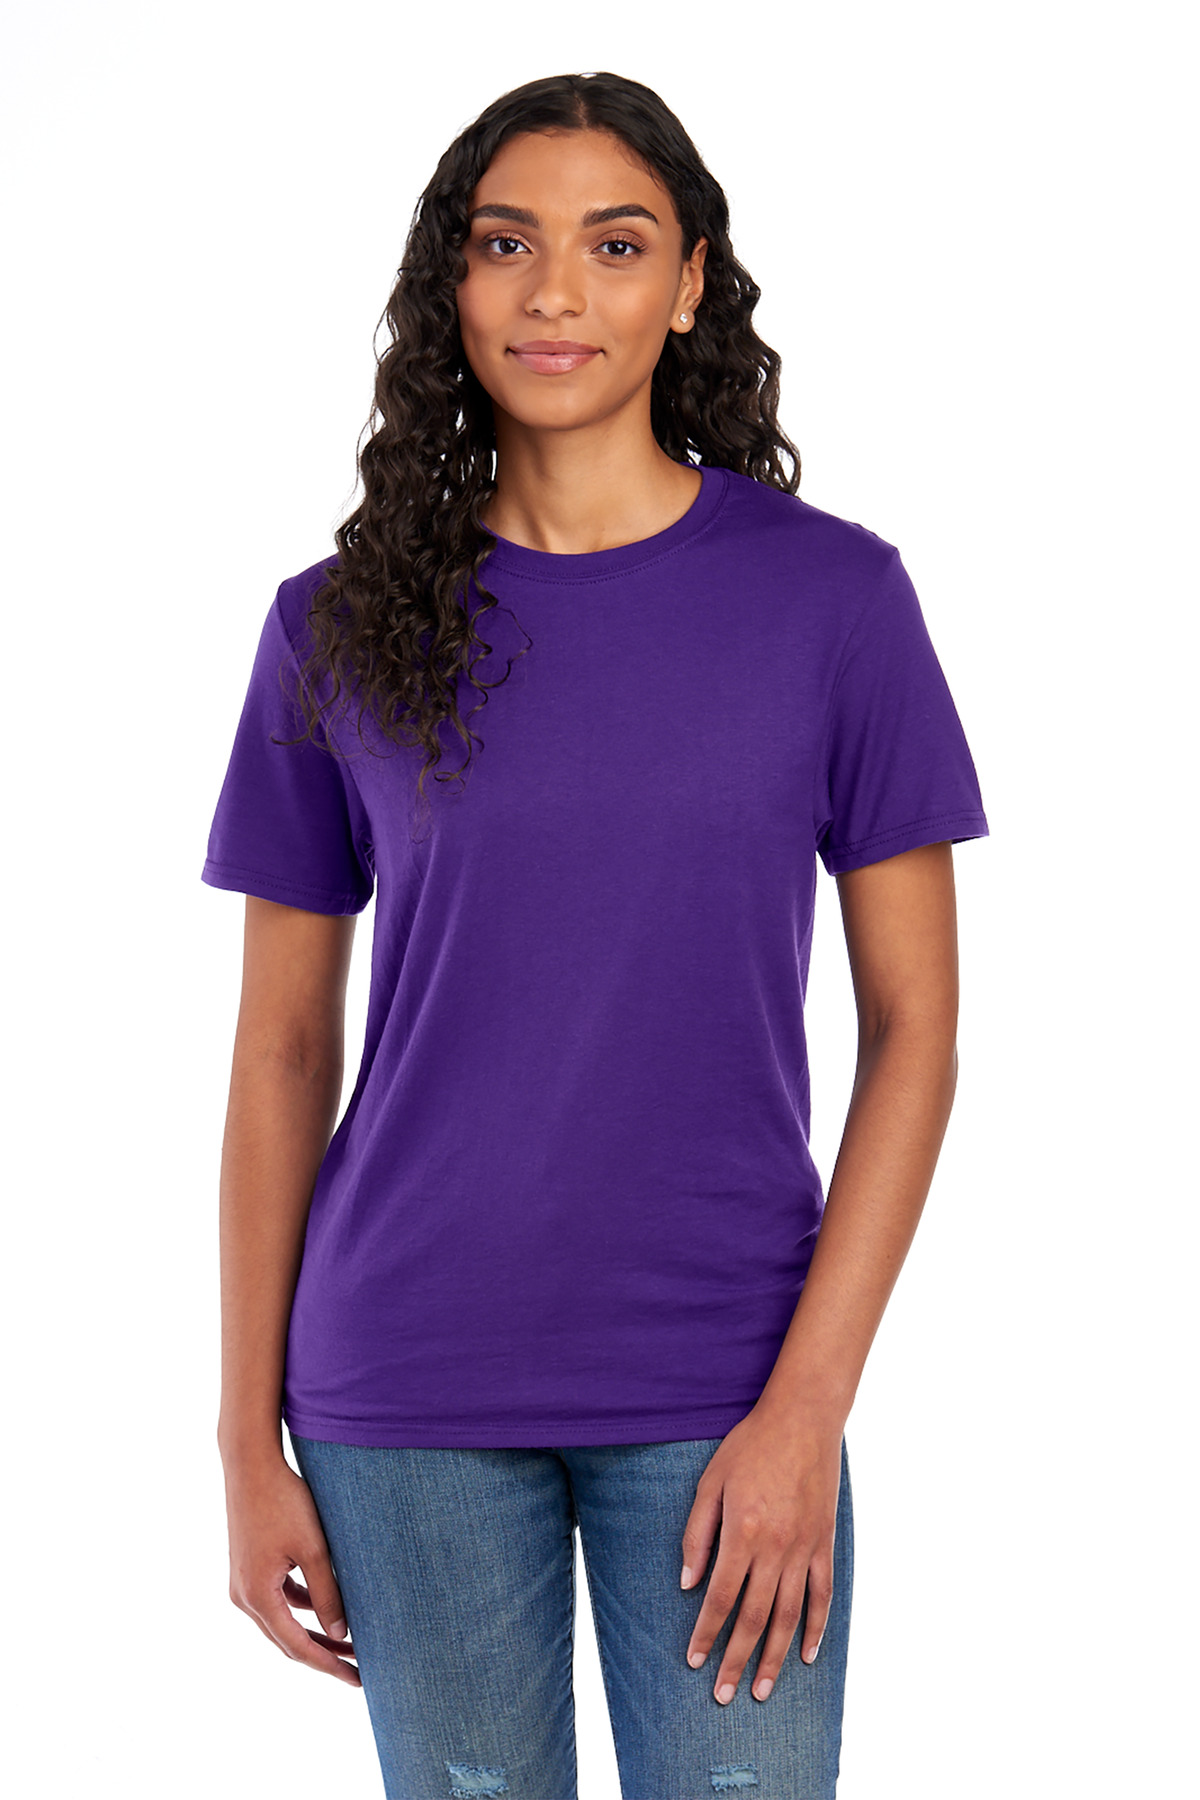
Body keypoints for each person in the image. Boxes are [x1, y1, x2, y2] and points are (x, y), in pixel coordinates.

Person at [202, 70, 989, 1800]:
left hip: (726, 1380)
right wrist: (244, 1440)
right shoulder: (333, 627)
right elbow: (279, 1049)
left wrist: (808, 1409)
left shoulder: (834, 603)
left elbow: (917, 1031)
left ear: (691, 282)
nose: (555, 292)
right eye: (508, 245)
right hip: (401, 1384)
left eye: (615, 245)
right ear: (453, 282)